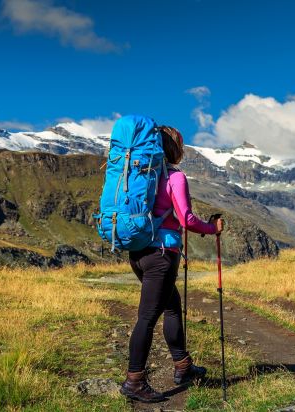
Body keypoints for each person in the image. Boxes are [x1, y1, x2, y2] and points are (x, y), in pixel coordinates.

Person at [120, 126, 224, 403]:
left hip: (138, 252)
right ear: (175, 148)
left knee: (171, 306)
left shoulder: (137, 174)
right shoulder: (174, 176)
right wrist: (212, 228)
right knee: (148, 317)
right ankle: (134, 381)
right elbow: (187, 219)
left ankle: (183, 365)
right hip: (162, 254)